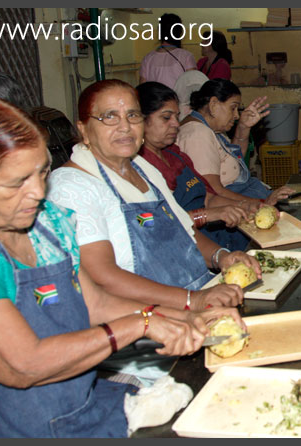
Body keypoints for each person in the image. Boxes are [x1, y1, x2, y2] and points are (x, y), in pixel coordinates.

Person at [0, 93, 242, 437]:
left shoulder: (48, 224)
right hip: (13, 426)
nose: (38, 192)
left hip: (78, 404)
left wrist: (189, 317)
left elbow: (94, 301)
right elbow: (24, 365)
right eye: (16, 182)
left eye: (41, 173)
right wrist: (141, 324)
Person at [46, 80, 257, 384]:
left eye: (132, 116)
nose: (124, 127)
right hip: (146, 338)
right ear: (82, 128)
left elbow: (185, 232)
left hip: (199, 306)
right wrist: (191, 301)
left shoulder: (145, 170)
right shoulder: (72, 187)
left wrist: (222, 257)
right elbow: (101, 276)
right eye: (109, 117)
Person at [136, 81, 254, 251]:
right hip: (181, 246)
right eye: (166, 117)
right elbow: (146, 222)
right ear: (140, 119)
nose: (176, 124)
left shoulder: (174, 155)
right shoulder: (139, 167)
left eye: (176, 117)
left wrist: (245, 206)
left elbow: (209, 197)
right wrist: (205, 216)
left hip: (209, 236)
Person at [177, 78, 294, 205]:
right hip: (229, 202)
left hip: (242, 192)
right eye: (233, 108)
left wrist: (243, 127)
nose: (237, 115)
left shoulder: (210, 128)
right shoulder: (197, 134)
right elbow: (214, 192)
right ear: (213, 105)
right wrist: (263, 203)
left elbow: (234, 162)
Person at [139, 13, 197, 89]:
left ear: (160, 31)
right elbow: (193, 85)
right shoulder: (186, 56)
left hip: (154, 100)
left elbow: (142, 88)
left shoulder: (148, 58)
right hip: (179, 100)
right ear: (179, 32)